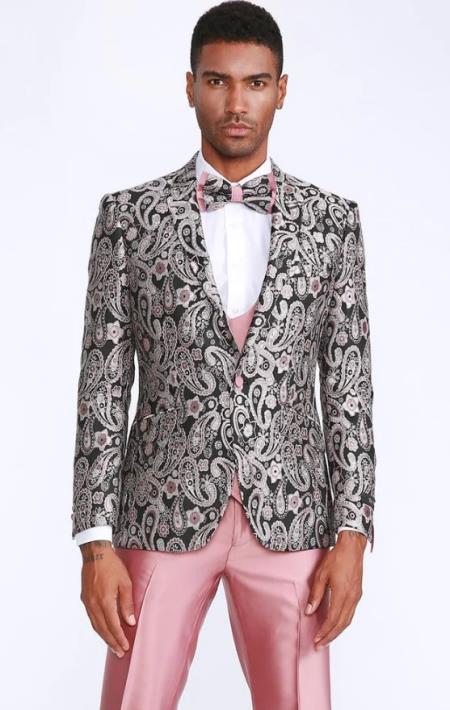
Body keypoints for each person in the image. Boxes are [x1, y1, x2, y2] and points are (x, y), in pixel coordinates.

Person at [71, 2, 377, 708]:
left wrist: (354, 533)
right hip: (158, 511)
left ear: (281, 89)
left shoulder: (332, 223)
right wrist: (95, 541)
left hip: (292, 518)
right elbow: (101, 385)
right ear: (190, 87)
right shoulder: (130, 218)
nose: (236, 103)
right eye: (218, 81)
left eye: (255, 83)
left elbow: (350, 387)